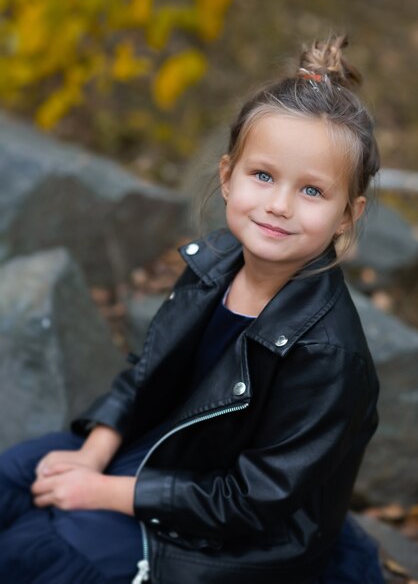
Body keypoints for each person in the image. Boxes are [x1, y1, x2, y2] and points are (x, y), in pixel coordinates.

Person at [0, 35, 385, 584]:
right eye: (263, 176)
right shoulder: (215, 262)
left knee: (50, 556)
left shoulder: (328, 356)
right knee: (14, 479)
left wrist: (106, 492)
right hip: (161, 455)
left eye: (313, 192)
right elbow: (146, 367)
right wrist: (93, 453)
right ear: (227, 176)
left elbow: (254, 503)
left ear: (349, 213)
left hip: (239, 530)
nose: (279, 204)